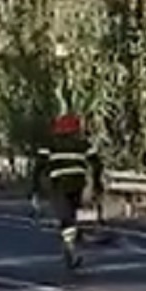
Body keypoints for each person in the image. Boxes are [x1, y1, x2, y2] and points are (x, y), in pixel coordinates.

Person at [31, 113, 102, 269]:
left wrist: (36, 189)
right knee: (70, 215)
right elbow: (96, 164)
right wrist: (97, 184)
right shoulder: (83, 144)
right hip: (77, 184)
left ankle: (70, 247)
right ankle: (71, 244)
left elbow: (38, 167)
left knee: (66, 217)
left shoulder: (50, 145)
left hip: (57, 185)